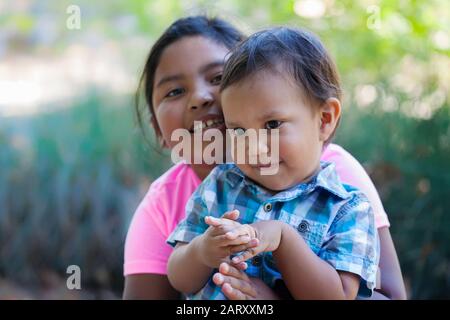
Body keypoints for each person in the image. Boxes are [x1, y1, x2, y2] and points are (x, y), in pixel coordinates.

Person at [123, 16, 406, 300]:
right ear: (156, 128)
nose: (254, 146)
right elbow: (181, 278)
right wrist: (202, 250)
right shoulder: (217, 187)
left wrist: (283, 243)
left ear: (325, 119)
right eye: (240, 130)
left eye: (272, 125)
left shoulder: (345, 205)